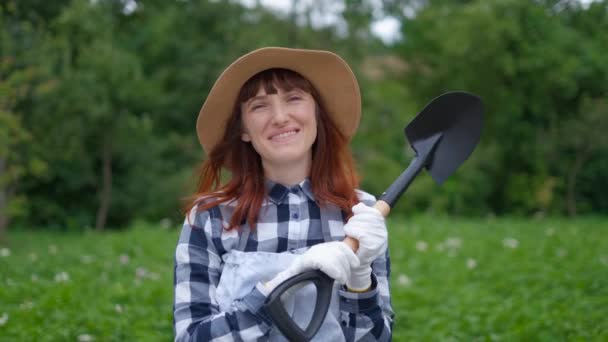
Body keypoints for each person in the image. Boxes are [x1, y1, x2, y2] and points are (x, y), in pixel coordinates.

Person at [173, 47, 394, 341]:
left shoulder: (360, 213)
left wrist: (361, 279)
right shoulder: (209, 218)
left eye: (294, 98)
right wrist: (277, 288)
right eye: (259, 106)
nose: (280, 117)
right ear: (243, 130)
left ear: (317, 113)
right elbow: (190, 336)